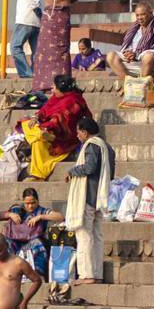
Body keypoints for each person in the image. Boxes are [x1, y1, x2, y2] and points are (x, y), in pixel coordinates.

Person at [64, 116, 113, 289]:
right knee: (97, 236)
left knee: (84, 235)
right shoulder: (107, 147)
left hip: (87, 197)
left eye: (78, 132)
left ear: (85, 132)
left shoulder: (92, 145)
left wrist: (72, 170)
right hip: (100, 197)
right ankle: (97, 274)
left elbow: (90, 167)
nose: (77, 135)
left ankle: (87, 274)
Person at [22, 74, 91, 180]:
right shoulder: (57, 97)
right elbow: (45, 109)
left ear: (61, 89)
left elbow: (61, 119)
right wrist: (36, 117)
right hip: (49, 131)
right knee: (28, 126)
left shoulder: (73, 100)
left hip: (66, 136)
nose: (52, 90)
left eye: (54, 87)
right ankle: (42, 135)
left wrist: (48, 127)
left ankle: (38, 174)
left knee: (37, 137)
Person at [32, 0, 81, 90]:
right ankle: (43, 85)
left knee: (62, 50)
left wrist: (67, 3)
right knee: (43, 50)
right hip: (48, 15)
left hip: (62, 16)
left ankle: (64, 84)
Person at [101, 2, 154, 88]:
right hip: (135, 63)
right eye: (137, 15)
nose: (139, 18)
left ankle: (140, 87)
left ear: (151, 14)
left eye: (143, 15)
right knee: (110, 56)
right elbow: (128, 46)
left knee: (148, 56)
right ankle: (129, 84)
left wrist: (137, 55)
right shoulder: (134, 27)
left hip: (153, 64)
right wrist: (128, 53)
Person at [0, 187, 61, 272]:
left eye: (33, 203)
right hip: (16, 241)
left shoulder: (42, 211)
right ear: (23, 202)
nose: (30, 206)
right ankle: (8, 271)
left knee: (38, 244)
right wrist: (9, 214)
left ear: (38, 201)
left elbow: (60, 216)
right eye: (27, 203)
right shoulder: (17, 210)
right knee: (6, 242)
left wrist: (40, 217)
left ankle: (38, 274)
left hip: (33, 242)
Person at [10, 0, 43, 79]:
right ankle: (36, 74)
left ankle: (26, 73)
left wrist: (37, 10)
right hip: (38, 20)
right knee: (36, 50)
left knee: (15, 46)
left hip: (26, 18)